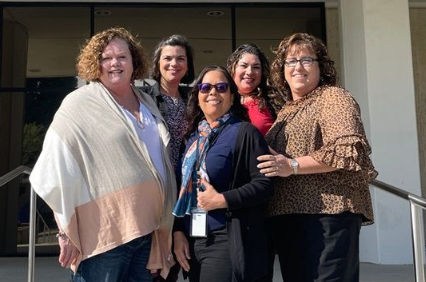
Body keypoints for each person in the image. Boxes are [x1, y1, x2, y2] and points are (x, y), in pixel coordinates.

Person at [29, 27, 176, 282]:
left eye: (121, 57)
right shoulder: (79, 104)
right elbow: (55, 170)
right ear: (95, 64)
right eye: (106, 58)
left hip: (148, 230)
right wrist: (65, 232)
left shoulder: (147, 102)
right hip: (105, 236)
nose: (114, 63)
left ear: (134, 62)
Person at [257, 33, 378, 282]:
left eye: (306, 60)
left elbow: (346, 149)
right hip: (290, 219)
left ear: (321, 67)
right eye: (290, 61)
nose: (298, 67)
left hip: (327, 216)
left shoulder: (332, 97)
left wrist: (291, 165)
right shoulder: (286, 111)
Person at [172, 65, 273, 282]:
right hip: (194, 239)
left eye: (221, 87)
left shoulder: (245, 133)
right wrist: (178, 231)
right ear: (197, 94)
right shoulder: (191, 139)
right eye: (205, 87)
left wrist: (221, 199)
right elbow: (182, 188)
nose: (213, 93)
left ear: (232, 95)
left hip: (226, 238)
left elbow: (264, 185)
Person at [143, 34, 195, 168]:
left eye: (181, 59)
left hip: (186, 178)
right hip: (156, 175)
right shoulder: (142, 98)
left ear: (187, 66)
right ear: (158, 63)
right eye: (167, 58)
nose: (174, 64)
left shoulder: (194, 100)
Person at [226, 43, 282, 136]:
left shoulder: (274, 102)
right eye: (244, 66)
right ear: (232, 69)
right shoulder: (221, 100)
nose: (249, 72)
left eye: (256, 67)